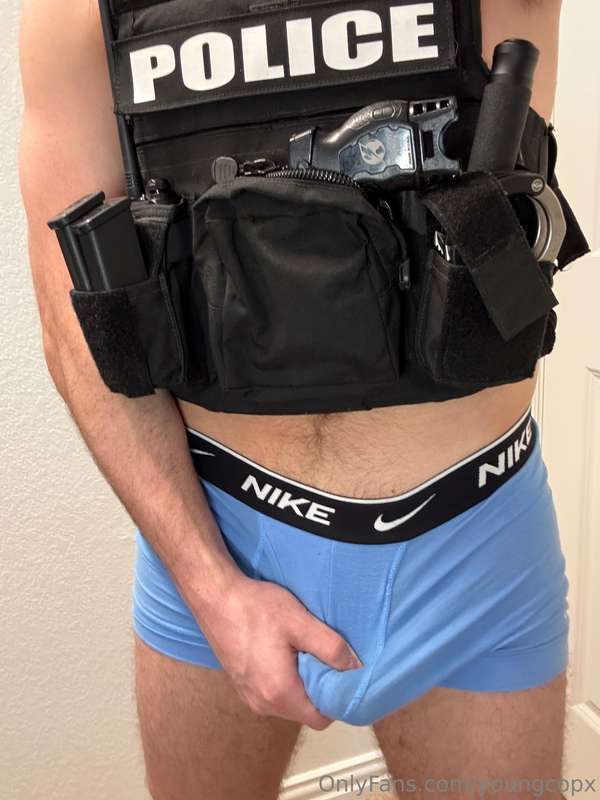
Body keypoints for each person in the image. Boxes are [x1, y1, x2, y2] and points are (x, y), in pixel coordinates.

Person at [19, 0, 571, 797]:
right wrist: (211, 589)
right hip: (221, 540)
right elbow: (76, 326)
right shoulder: (71, 10)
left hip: (473, 551)